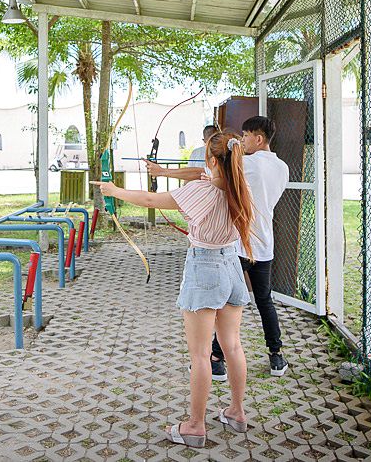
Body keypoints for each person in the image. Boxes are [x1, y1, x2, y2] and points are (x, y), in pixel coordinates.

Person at [95, 131, 254, 448]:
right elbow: (199, 177)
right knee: (232, 346)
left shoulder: (202, 191)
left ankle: (195, 426)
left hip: (205, 267)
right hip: (231, 266)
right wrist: (165, 172)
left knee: (200, 355)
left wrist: (113, 190)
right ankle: (237, 411)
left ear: (211, 160)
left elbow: (152, 200)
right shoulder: (239, 189)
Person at [146, 116, 289, 380]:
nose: (242, 140)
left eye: (245, 135)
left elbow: (207, 173)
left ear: (258, 139)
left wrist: (165, 173)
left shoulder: (247, 164)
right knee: (264, 300)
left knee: (220, 303)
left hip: (236, 244)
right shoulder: (282, 167)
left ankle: (216, 360)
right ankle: (276, 357)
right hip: (264, 244)